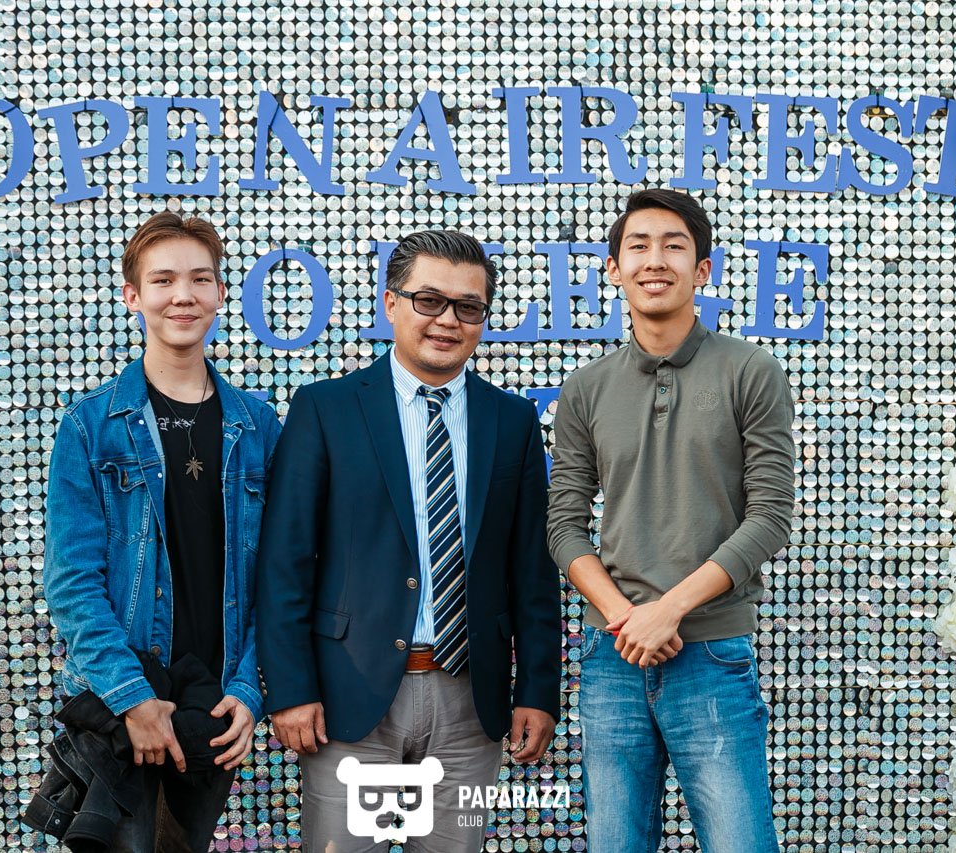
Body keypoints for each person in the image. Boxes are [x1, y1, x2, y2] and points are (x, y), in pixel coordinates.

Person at [256, 230, 561, 852]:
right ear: (391, 303)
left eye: (468, 306)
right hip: (350, 698)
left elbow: (532, 569)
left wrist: (537, 691)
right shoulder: (326, 409)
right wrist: (290, 690)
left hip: (470, 704)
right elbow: (285, 561)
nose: (448, 320)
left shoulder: (512, 421)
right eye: (429, 300)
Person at [547, 189, 795, 853]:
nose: (655, 260)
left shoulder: (751, 371)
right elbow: (564, 524)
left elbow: (770, 517)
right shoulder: (586, 388)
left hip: (710, 652)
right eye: (639, 246)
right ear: (614, 268)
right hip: (611, 657)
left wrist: (670, 610)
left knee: (740, 843)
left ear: (702, 269)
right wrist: (627, 618)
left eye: (673, 246)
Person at [41, 211, 280, 851]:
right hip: (119, 704)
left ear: (221, 294)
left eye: (200, 279)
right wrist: (133, 697)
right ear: (133, 295)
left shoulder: (259, 426)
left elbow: (280, 578)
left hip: (214, 707)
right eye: (163, 280)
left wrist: (249, 688)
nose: (183, 296)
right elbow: (71, 582)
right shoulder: (91, 426)